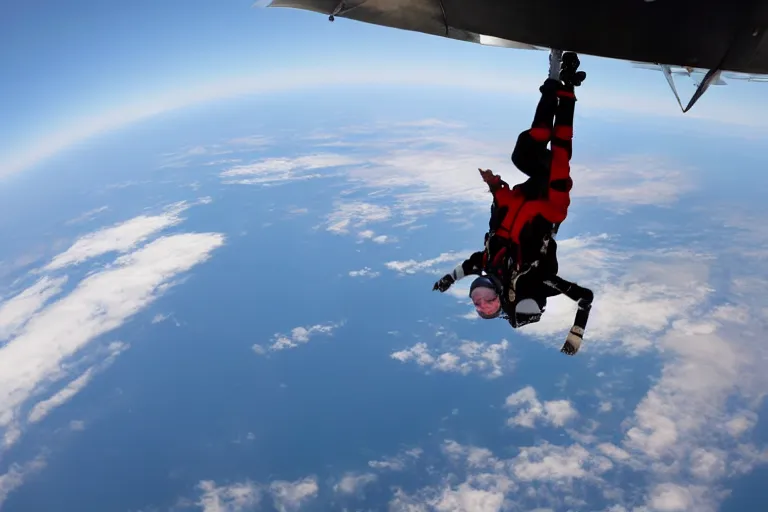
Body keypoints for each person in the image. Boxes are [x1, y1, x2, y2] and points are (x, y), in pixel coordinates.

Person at [432, 51, 593, 356]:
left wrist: (447, 279)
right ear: (503, 301)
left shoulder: (491, 264)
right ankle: (568, 88)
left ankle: (556, 80)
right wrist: (576, 333)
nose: (480, 301)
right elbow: (584, 297)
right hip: (549, 205)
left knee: (527, 149)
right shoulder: (533, 281)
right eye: (488, 305)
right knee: (559, 152)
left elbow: (474, 260)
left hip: (524, 195)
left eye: (476, 303)